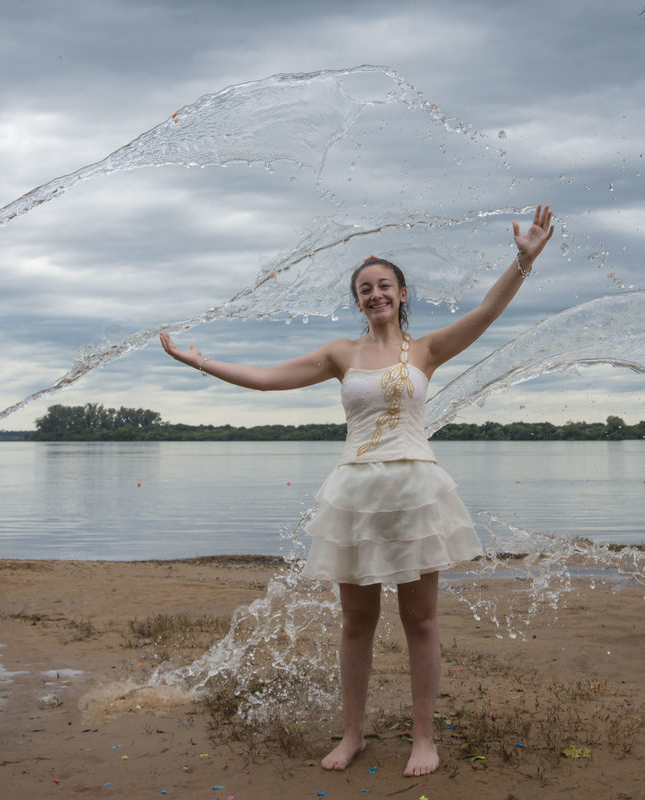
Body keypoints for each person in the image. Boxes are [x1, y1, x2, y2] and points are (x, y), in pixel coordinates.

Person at [160, 205, 555, 777]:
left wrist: (522, 262)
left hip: (416, 490)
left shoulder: (425, 350)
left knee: (420, 621)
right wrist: (204, 363)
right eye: (365, 289)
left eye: (384, 286)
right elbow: (269, 378)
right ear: (358, 300)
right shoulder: (340, 355)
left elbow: (488, 312)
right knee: (355, 622)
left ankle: (424, 738)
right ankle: (352, 735)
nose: (375, 295)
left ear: (400, 294)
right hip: (356, 494)